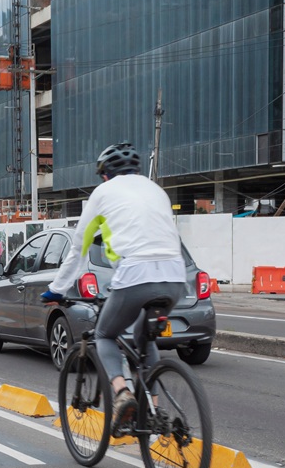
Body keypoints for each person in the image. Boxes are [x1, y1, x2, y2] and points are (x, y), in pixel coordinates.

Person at [42, 142, 188, 434]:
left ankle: (122, 394)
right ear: (135, 169)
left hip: (135, 274)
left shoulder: (103, 193)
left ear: (105, 175)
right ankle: (155, 409)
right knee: (143, 340)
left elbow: (79, 246)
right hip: (175, 276)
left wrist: (57, 289)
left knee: (105, 334)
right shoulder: (156, 190)